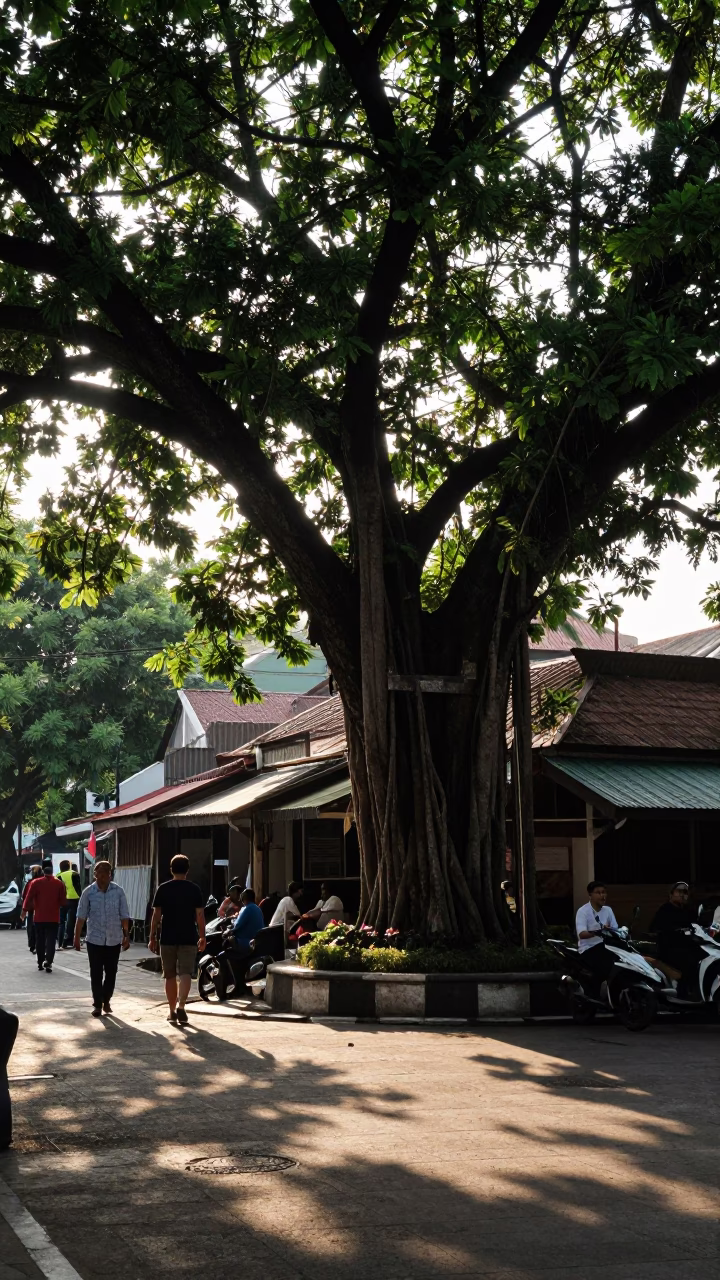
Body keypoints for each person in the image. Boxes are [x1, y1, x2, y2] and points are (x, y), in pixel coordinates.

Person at [149, 854, 206, 1025]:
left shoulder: (163, 888)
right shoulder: (194, 889)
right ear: (187, 870)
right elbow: (200, 916)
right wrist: (202, 936)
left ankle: (172, 1011)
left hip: (168, 937)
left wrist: (152, 936)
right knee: (186, 973)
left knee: (170, 975)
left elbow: (156, 915)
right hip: (188, 936)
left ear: (171, 869)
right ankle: (182, 1006)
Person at [74, 861, 131, 1016]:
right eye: (100, 873)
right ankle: (97, 1004)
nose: (103, 877)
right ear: (95, 875)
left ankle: (107, 1000)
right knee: (96, 972)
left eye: (106, 873)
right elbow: (81, 917)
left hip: (114, 939)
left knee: (111, 971)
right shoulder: (88, 893)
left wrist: (126, 935)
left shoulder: (118, 892)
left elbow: (124, 915)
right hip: (94, 940)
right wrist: (76, 937)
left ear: (110, 875)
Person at [21, 859, 66, 973]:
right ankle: (49, 961)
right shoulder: (59, 884)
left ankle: (40, 962)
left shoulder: (35, 883)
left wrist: (24, 911)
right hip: (53, 917)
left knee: (40, 940)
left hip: (39, 917)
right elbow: (63, 902)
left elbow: (28, 897)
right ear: (52, 872)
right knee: (51, 940)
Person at [575, 880, 619, 995]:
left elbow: (615, 929)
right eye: (598, 893)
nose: (602, 896)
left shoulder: (608, 910)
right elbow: (582, 934)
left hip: (606, 947)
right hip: (588, 948)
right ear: (590, 895)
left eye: (604, 892)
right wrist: (598, 932)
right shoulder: (583, 911)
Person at [649, 881, 697, 985]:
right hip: (670, 948)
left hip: (689, 946)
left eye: (685, 892)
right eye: (679, 891)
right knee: (689, 961)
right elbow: (654, 928)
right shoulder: (664, 910)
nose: (682, 894)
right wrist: (675, 931)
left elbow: (698, 927)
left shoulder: (689, 911)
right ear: (671, 894)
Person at [231, 888, 265, 957]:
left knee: (229, 941)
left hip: (246, 942)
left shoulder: (247, 909)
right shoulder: (257, 908)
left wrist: (230, 927)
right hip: (257, 941)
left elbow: (237, 925)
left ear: (243, 898)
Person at [57, 860, 81, 950]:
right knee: (71, 921)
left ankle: (60, 942)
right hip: (74, 900)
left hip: (62, 901)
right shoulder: (75, 874)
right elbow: (78, 887)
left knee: (61, 922)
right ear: (69, 866)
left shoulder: (58, 876)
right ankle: (68, 942)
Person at [22, 866, 42, 953]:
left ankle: (32, 945)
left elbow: (25, 896)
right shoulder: (45, 881)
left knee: (31, 927)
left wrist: (24, 909)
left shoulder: (30, 883)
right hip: (42, 909)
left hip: (32, 909)